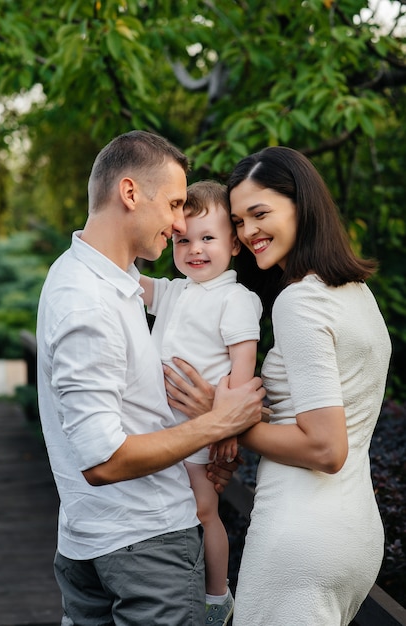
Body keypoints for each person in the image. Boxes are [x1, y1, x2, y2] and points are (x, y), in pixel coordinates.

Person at [35, 130, 266, 626]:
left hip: (97, 536)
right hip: (145, 543)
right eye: (176, 204)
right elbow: (103, 459)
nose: (181, 223)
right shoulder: (87, 301)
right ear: (131, 193)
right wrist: (216, 425)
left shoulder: (95, 279)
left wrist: (217, 436)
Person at [163, 146, 392, 626]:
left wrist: (220, 418)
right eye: (241, 222)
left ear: (302, 205)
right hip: (356, 535)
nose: (248, 233)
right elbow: (324, 420)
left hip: (302, 532)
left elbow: (326, 447)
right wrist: (228, 433)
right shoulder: (355, 292)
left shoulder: (299, 302)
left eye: (259, 213)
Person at [139, 180, 263, 625]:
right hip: (161, 429)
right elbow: (133, 283)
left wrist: (228, 427)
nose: (195, 248)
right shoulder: (176, 291)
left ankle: (217, 596)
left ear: (234, 244)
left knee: (203, 509)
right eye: (182, 238)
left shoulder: (236, 298)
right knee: (168, 510)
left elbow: (243, 366)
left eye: (208, 237)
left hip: (200, 429)